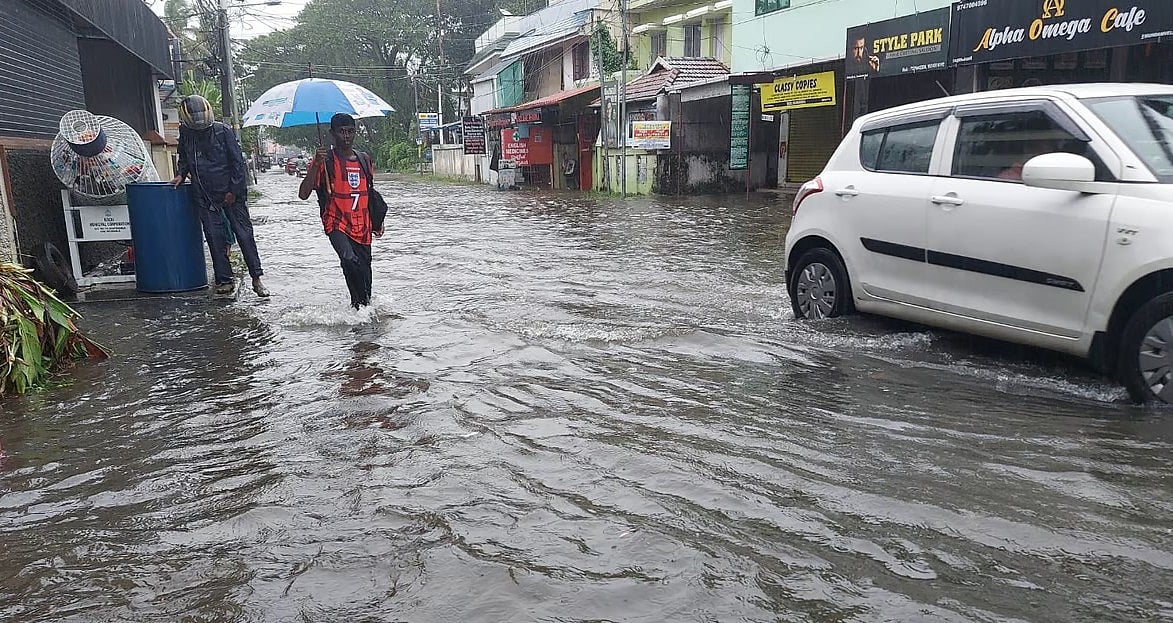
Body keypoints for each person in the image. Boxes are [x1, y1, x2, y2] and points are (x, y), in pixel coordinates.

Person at [171, 95, 269, 298]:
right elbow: (184, 158)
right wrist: (181, 174)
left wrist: (233, 191)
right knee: (215, 239)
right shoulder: (186, 134)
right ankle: (224, 280)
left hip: (231, 194)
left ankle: (257, 278)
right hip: (204, 195)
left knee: (244, 236)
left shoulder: (223, 131)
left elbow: (237, 164)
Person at [298, 113, 384, 309]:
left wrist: (378, 222)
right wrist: (316, 165)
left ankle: (359, 309)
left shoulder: (364, 160)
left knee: (364, 275)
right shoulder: (325, 161)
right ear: (332, 134)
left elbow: (368, 192)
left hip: (362, 226)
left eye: (350, 132)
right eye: (341, 132)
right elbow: (303, 194)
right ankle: (360, 310)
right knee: (348, 259)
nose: (346, 136)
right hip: (336, 223)